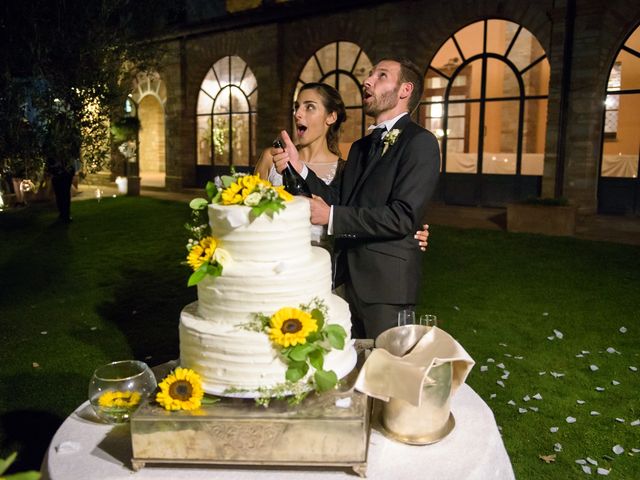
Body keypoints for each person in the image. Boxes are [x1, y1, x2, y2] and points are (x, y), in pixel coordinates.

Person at [272, 58, 440, 339]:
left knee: (385, 373)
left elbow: (402, 217)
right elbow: (339, 198)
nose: (367, 80)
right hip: (345, 281)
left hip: (387, 288)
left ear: (404, 90)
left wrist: (333, 217)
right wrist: (298, 166)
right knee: (348, 370)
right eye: (370, 74)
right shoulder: (361, 148)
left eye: (381, 75)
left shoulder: (420, 142)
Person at [256, 82, 430, 250]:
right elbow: (244, 210)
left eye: (309, 107)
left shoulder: (345, 170)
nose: (298, 114)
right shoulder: (272, 158)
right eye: (297, 107)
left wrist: (411, 230)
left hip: (322, 265)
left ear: (331, 117)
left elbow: (363, 212)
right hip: (272, 256)